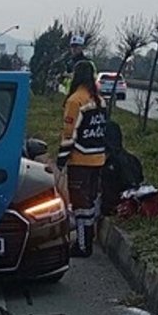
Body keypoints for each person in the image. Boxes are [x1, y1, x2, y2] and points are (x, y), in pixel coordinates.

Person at [50, 60, 107, 257]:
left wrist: (61, 158)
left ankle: (83, 246)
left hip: (81, 160)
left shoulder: (76, 100)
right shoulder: (99, 99)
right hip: (98, 159)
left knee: (81, 205)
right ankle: (87, 241)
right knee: (89, 203)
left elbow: (69, 133)